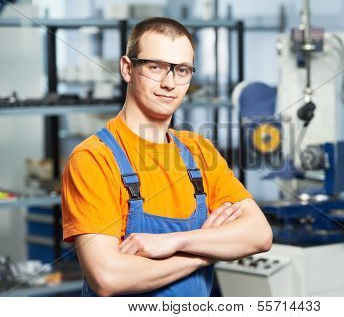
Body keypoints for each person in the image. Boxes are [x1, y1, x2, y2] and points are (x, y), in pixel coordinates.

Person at [61, 17, 272, 297]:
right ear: (127, 68)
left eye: (182, 70)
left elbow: (259, 234)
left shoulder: (200, 152)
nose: (169, 83)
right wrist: (204, 254)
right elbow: (107, 277)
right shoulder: (94, 159)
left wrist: (174, 241)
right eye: (155, 67)